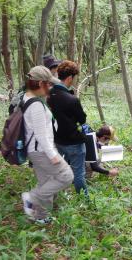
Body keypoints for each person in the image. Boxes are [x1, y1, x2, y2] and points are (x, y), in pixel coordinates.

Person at [21, 66, 74, 224]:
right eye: (48, 84)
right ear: (39, 83)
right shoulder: (36, 105)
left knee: (46, 181)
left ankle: (41, 217)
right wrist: (53, 155)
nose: (50, 88)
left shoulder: (28, 98)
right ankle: (31, 197)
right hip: (41, 150)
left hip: (36, 151)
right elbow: (40, 135)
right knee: (66, 176)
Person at [48, 60, 88, 196]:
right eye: (74, 78)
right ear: (70, 78)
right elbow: (82, 119)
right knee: (78, 173)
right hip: (74, 143)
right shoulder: (72, 99)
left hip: (57, 141)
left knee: (58, 170)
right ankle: (84, 200)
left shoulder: (49, 95)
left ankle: (55, 196)